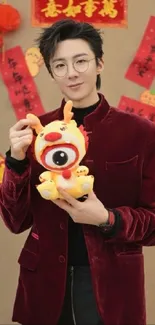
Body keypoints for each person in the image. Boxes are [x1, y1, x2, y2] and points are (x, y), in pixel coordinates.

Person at [1, 19, 155, 325]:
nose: (71, 72)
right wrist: (17, 161)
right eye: (60, 65)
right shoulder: (36, 131)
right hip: (44, 283)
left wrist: (107, 218)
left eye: (80, 61)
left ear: (99, 64)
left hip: (113, 286)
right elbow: (15, 221)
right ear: (52, 73)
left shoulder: (142, 133)